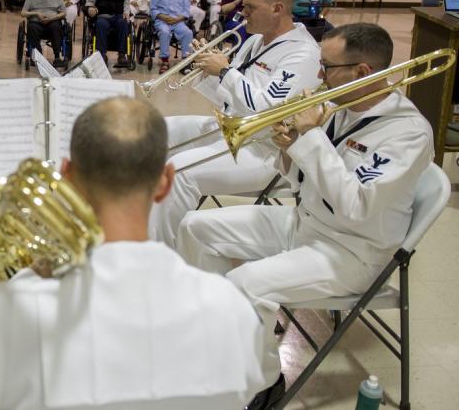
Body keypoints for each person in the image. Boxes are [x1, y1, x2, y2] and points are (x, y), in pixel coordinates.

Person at [0, 97, 267, 410]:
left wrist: (18, 287)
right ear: (166, 182)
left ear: (66, 174)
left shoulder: (17, 313)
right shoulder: (231, 308)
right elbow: (247, 387)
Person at [178, 23, 432, 410]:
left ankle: (263, 383)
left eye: (327, 66)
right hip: (308, 223)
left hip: (351, 252)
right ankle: (222, 334)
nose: (318, 75)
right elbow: (304, 180)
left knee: (247, 282)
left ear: (363, 72)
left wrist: (309, 139)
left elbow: (355, 205)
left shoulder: (408, 133)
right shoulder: (340, 106)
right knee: (195, 227)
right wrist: (288, 147)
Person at [149, 0, 321, 249]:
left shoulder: (302, 54)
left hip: (265, 151)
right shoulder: (255, 41)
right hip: (231, 130)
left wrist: (226, 71)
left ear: (277, 9)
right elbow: (228, 99)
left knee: (178, 171)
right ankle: (145, 220)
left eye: (250, 7)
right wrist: (206, 68)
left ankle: (160, 252)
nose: (242, 12)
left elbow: (268, 113)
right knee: (158, 130)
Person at [86, 0, 129, 64]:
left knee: (123, 23)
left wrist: (126, 12)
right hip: (102, 16)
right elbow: (90, 2)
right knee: (100, 24)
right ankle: (102, 54)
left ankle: (122, 54)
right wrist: (91, 8)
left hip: (118, 16)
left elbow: (126, 3)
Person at [150, 0, 194, 72]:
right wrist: (162, 17)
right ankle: (165, 61)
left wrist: (178, 19)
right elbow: (152, 9)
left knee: (188, 32)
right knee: (164, 32)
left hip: (178, 21)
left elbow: (186, 10)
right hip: (162, 21)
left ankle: (186, 61)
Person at [22, 0, 67, 65]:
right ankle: (38, 56)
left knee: (56, 26)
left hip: (53, 22)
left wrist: (52, 18)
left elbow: (64, 12)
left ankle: (57, 57)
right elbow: (23, 13)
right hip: (36, 23)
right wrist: (36, 13)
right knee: (31, 26)